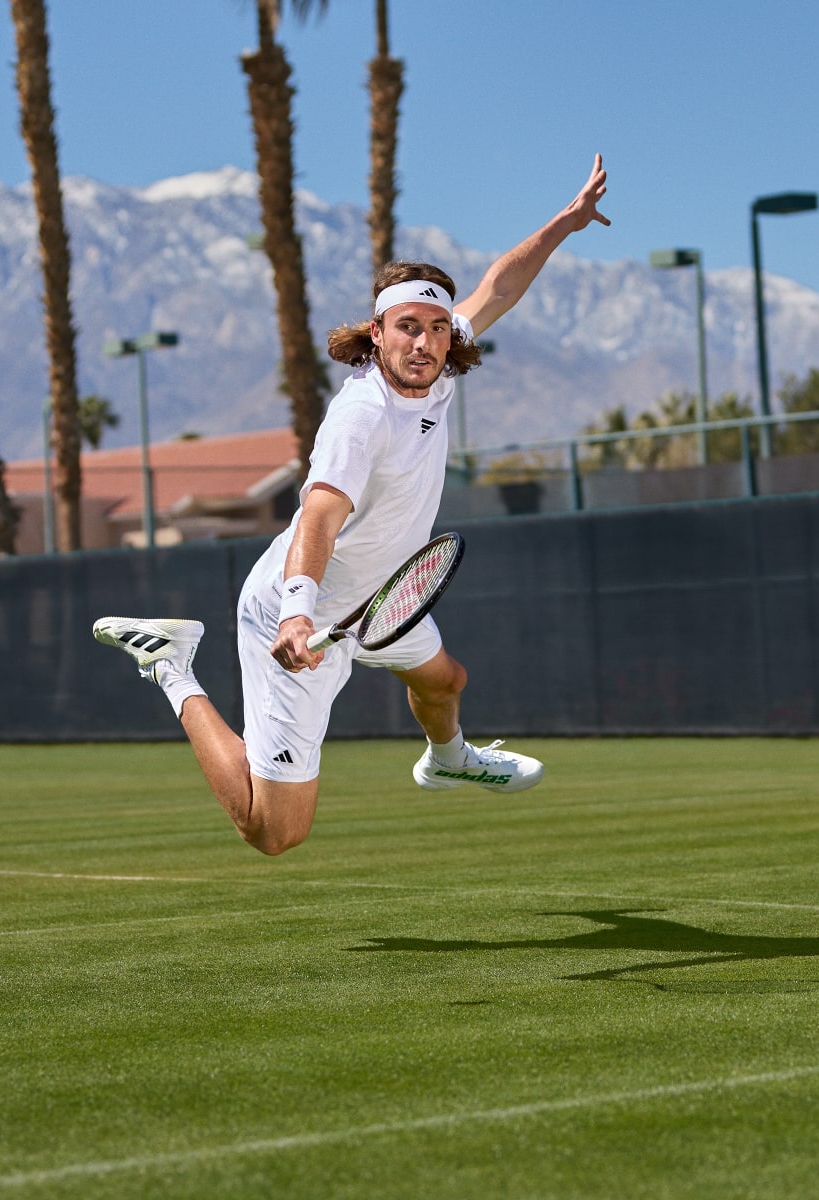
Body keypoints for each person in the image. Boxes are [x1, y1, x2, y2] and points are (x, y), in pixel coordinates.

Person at [94, 155, 610, 856]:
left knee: (443, 680)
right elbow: (318, 517)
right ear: (377, 333)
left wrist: (567, 223)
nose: (425, 341)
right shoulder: (360, 417)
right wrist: (300, 611)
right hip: (297, 614)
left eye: (436, 326)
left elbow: (499, 285)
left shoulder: (443, 358)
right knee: (274, 832)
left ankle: (449, 759)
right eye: (408, 328)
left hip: (382, 600)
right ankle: (171, 666)